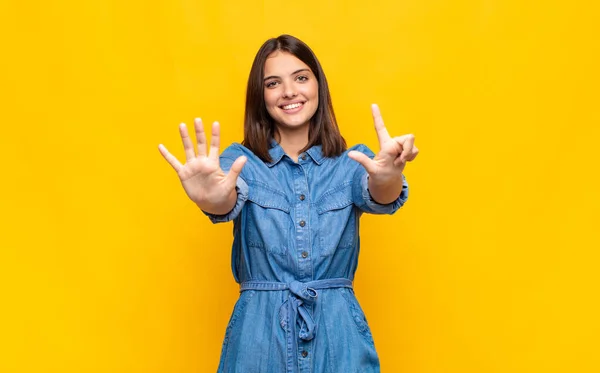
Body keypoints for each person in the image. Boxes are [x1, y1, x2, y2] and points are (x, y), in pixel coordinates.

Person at [158, 34, 418, 373]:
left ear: (318, 86)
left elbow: (380, 192)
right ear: (260, 96)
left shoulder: (352, 161)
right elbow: (224, 199)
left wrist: (388, 175)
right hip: (258, 338)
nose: (289, 91)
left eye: (301, 77)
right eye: (273, 83)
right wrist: (214, 200)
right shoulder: (239, 161)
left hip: (338, 337)